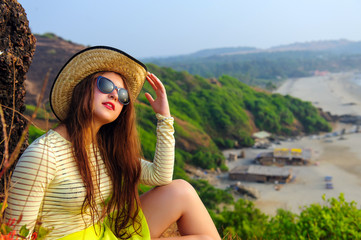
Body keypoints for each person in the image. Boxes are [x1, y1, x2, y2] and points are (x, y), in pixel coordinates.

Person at [5, 46, 221, 240]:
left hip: (103, 232)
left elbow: (161, 176)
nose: (115, 96)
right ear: (83, 88)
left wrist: (164, 118)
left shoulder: (102, 148)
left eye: (123, 94)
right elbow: (14, 234)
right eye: (106, 85)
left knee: (181, 190)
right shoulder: (43, 155)